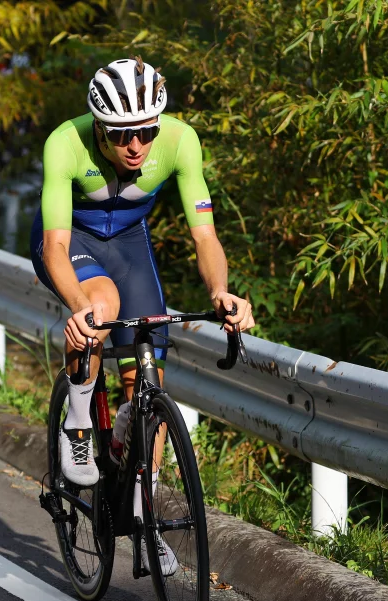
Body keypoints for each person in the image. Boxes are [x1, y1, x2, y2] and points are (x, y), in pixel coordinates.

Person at [30, 58, 255, 573]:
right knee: (102, 305)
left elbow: (205, 236)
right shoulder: (65, 143)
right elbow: (55, 245)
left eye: (146, 130)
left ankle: (144, 509)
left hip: (130, 246)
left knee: (146, 376)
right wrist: (79, 307)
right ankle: (80, 425)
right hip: (72, 244)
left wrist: (221, 291)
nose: (136, 145)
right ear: (99, 128)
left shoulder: (180, 141)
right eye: (121, 133)